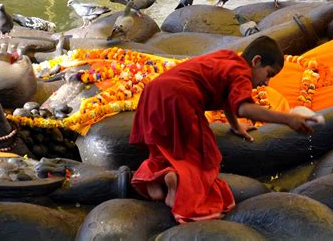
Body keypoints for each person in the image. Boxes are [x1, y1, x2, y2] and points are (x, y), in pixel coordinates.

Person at [129, 35, 316, 223]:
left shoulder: (228, 58)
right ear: (256, 61)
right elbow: (243, 108)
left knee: (165, 147)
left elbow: (228, 99)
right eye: (269, 74)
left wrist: (235, 125)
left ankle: (156, 178)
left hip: (153, 92)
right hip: (179, 98)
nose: (267, 83)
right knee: (203, 157)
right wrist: (288, 119)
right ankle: (182, 193)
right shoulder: (242, 73)